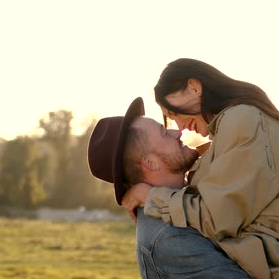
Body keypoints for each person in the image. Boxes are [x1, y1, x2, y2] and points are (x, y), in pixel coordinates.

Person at [121, 58, 279, 278]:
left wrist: (150, 195)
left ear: (194, 87)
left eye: (174, 113)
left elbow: (214, 217)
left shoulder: (243, 118)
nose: (180, 127)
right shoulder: (236, 123)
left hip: (278, 266)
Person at [88, 97, 251, 278]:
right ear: (151, 163)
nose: (178, 132)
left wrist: (150, 194)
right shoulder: (170, 237)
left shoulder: (185, 199)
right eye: (165, 133)